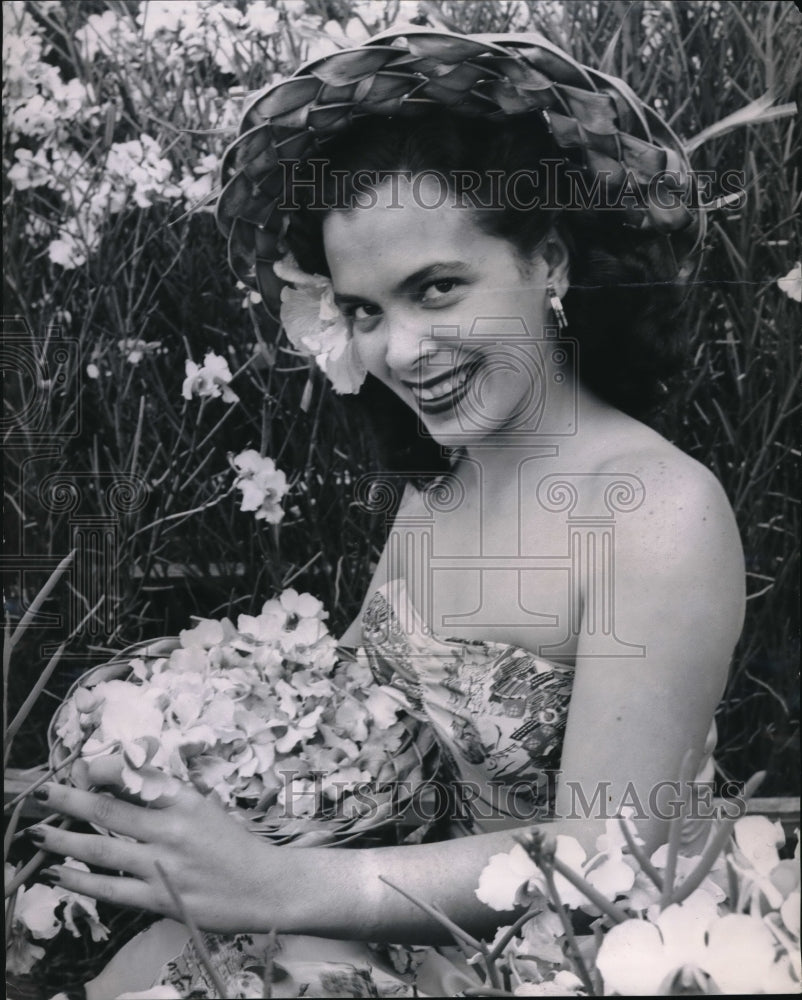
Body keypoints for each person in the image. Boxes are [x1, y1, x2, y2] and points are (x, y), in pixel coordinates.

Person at [28, 26, 745, 998]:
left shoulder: (658, 511)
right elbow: (361, 712)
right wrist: (189, 754)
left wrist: (285, 884)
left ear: (549, 262)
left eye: (437, 288)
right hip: (389, 921)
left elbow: (601, 856)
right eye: (365, 310)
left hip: (576, 957)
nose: (401, 351)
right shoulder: (443, 476)